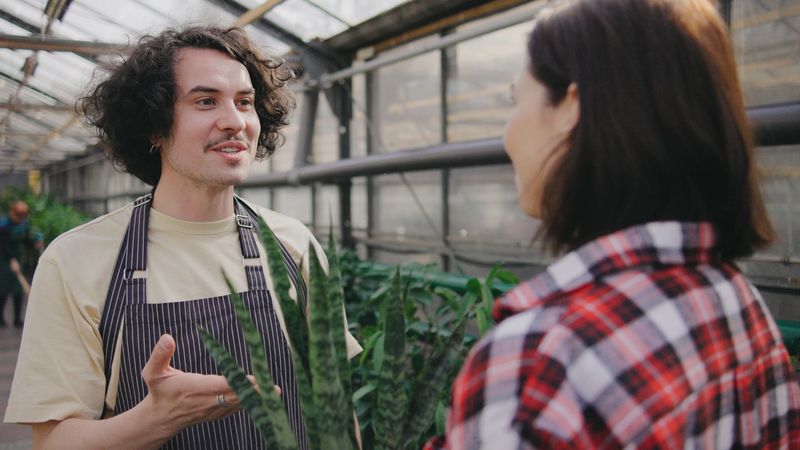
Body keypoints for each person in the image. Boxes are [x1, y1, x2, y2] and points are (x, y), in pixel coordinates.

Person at [427, 0, 800, 448]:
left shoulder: (541, 361)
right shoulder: (737, 303)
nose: (506, 132)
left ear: (572, 105)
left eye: (515, 100)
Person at [4, 26, 361, 449]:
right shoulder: (76, 261)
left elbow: (338, 410)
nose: (235, 122)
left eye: (245, 102)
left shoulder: (292, 245)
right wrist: (153, 421)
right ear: (153, 126)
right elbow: (51, 442)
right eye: (205, 101)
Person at [0, 200, 43, 327]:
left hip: (17, 259)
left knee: (18, 290)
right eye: (19, 215)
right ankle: (0, 319)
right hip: (4, 261)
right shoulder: (4, 226)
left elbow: (25, 239)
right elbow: (2, 246)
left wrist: (34, 243)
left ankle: (17, 319)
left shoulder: (23, 225)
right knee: (3, 290)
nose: (21, 218)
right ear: (13, 213)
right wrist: (11, 260)